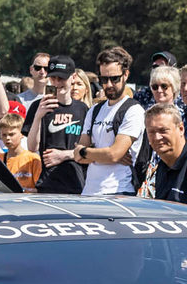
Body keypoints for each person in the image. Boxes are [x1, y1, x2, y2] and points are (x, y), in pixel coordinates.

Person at [61, 46, 143, 196]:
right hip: (89, 191)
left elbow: (113, 154)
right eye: (104, 79)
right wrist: (100, 154)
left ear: (126, 75)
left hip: (119, 190)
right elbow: (78, 156)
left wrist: (86, 152)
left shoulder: (133, 110)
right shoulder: (94, 110)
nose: (109, 84)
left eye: (114, 78)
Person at [26, 56, 88, 195]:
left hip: (77, 183)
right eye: (53, 78)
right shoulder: (38, 106)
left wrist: (65, 155)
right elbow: (32, 147)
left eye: (62, 78)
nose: (57, 83)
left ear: (73, 77)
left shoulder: (83, 109)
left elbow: (90, 149)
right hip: (48, 183)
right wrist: (38, 116)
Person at [0, 112, 41, 189]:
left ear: (21, 134)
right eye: (4, 135)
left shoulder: (33, 159)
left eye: (11, 134)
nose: (7, 138)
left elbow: (40, 189)